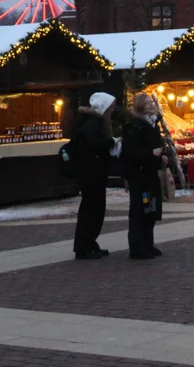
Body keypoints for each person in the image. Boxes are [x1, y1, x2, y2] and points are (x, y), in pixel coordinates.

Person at [72, 92, 116, 260]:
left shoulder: (91, 122)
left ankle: (88, 243)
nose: (111, 111)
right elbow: (94, 144)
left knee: (93, 210)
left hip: (93, 173)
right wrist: (112, 142)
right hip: (91, 174)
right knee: (92, 210)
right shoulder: (93, 124)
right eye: (110, 108)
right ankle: (84, 245)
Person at [122, 92, 165, 260]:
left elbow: (157, 145)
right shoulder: (135, 127)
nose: (151, 104)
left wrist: (162, 155)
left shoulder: (152, 125)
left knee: (151, 209)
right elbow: (130, 152)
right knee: (139, 210)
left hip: (151, 173)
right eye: (147, 103)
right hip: (139, 175)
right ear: (140, 106)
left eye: (151, 102)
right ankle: (137, 247)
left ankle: (148, 243)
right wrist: (150, 153)